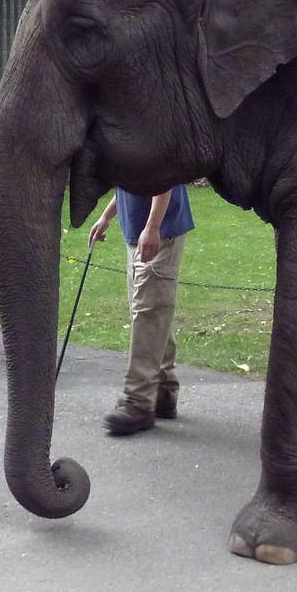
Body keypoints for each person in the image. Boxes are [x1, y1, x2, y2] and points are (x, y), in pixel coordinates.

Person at [88, 184, 195, 435]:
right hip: (140, 231)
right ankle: (162, 390)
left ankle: (138, 402)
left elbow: (164, 178)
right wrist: (106, 216)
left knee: (148, 313)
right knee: (151, 312)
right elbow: (131, 178)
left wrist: (153, 227)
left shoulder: (155, 142)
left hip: (159, 233)